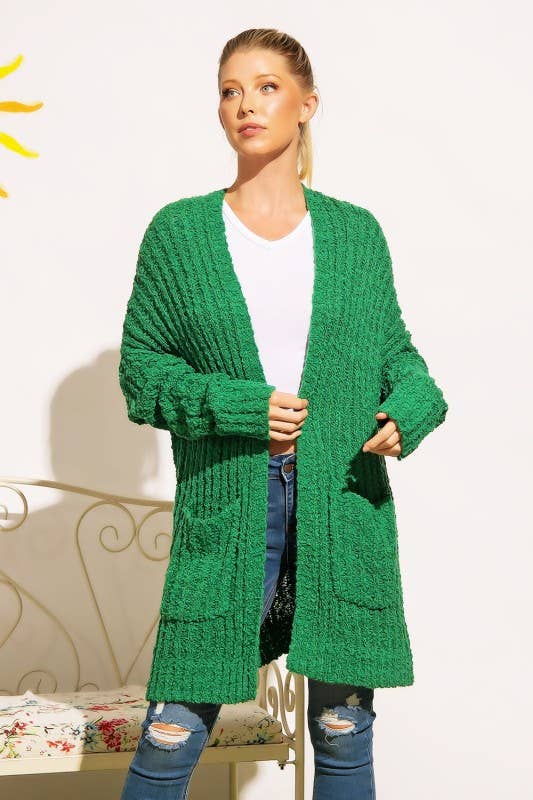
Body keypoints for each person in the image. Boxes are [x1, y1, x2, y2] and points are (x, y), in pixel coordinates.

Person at [118, 27, 448, 800]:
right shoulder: (180, 234)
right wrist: (239, 406)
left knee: (341, 735)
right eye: (230, 91)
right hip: (231, 510)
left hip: (342, 507)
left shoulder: (355, 234)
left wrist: (409, 409)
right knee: (170, 737)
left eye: (267, 87)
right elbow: (143, 373)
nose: (246, 105)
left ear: (306, 104)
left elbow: (397, 357)